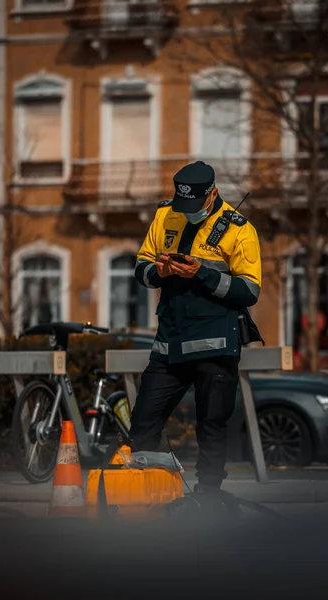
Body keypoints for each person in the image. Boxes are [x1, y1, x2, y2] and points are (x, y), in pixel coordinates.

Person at [131, 160, 263, 495]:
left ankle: (208, 497)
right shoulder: (165, 214)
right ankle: (154, 493)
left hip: (216, 346)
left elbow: (249, 292)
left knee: (211, 427)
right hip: (169, 344)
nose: (187, 211)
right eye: (182, 204)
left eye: (194, 205)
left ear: (213, 193)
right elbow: (142, 266)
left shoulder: (239, 229)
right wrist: (159, 273)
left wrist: (201, 273)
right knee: (144, 420)